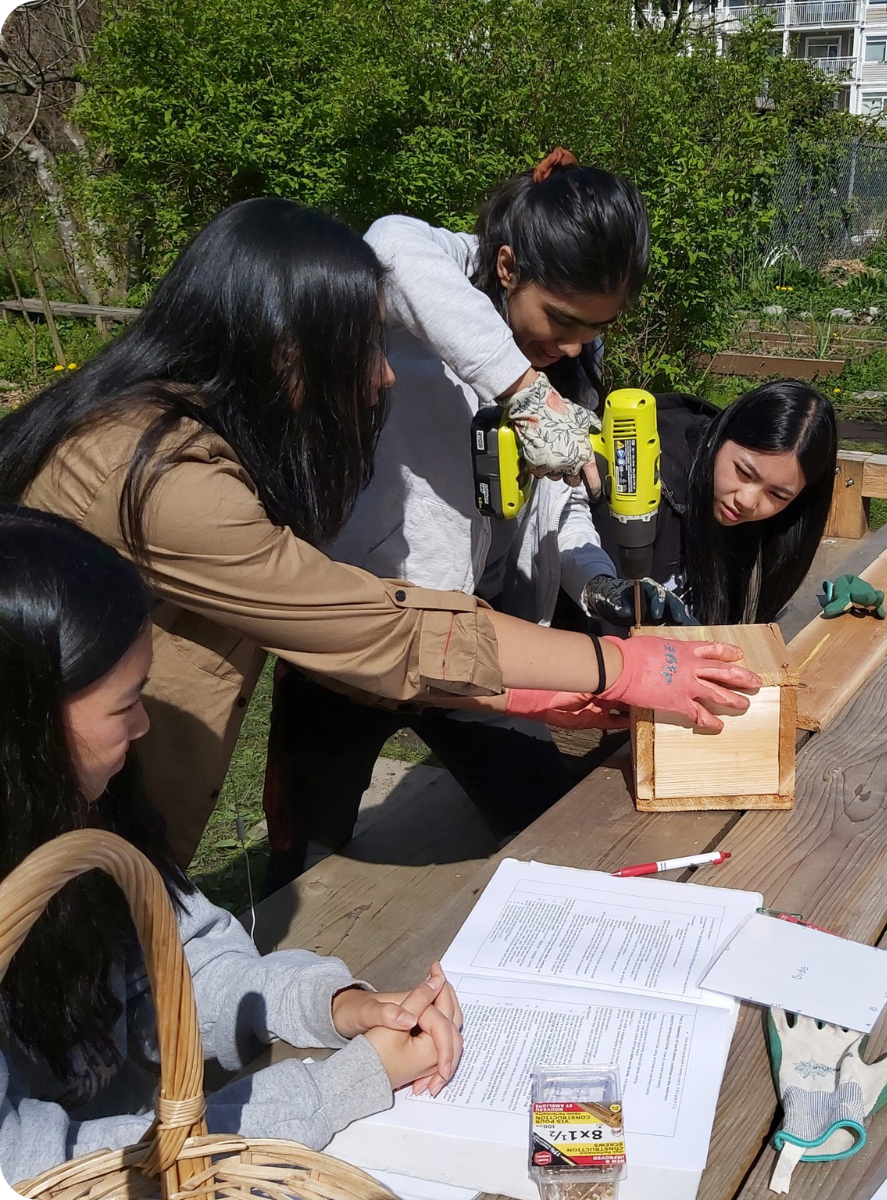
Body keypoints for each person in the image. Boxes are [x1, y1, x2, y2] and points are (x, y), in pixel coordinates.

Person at [0, 197, 760, 865]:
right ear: (280, 344)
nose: (384, 375)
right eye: (363, 346)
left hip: (431, 649)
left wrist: (549, 663)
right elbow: (375, 630)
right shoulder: (169, 483)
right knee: (305, 845)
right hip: (61, 813)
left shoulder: (172, 430)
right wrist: (618, 667)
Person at [0, 506, 468, 1186]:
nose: (143, 725)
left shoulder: (79, 815)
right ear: (26, 725)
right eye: (124, 703)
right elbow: (35, 1168)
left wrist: (331, 1004)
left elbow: (181, 960)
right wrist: (334, 1090)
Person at [261, 154, 685, 891]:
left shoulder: (571, 358)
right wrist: (521, 388)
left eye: (597, 326)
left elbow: (565, 499)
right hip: (359, 633)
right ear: (509, 265)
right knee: (305, 859)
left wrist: (598, 583)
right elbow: (389, 244)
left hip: (476, 646)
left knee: (548, 820)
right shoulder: (427, 301)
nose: (576, 344)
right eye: (562, 319)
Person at [591, 382, 839, 626]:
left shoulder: (770, 521)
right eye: (743, 472)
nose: (747, 500)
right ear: (720, 436)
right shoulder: (638, 480)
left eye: (778, 495)